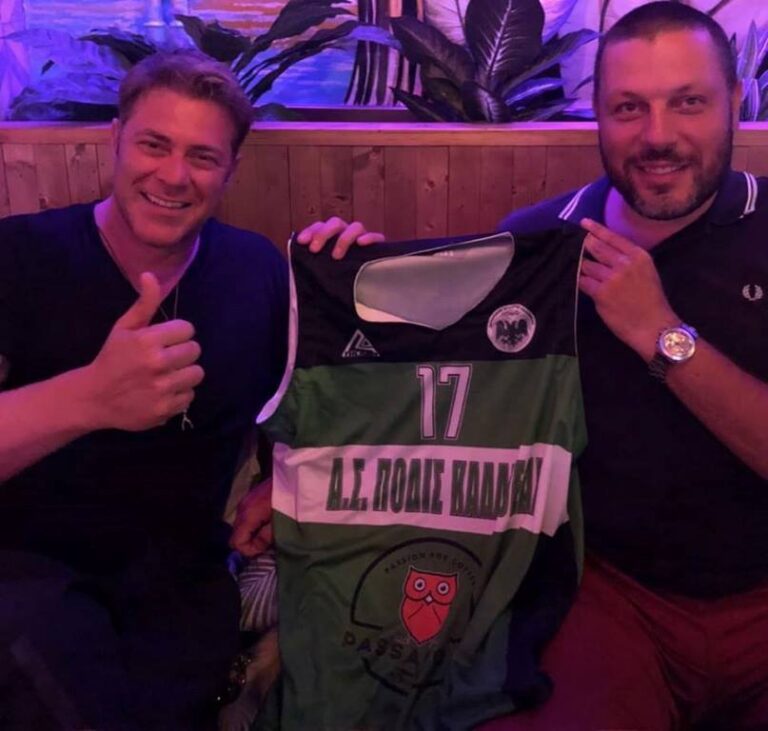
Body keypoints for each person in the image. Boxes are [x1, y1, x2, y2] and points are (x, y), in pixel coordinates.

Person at [233, 3, 768, 729]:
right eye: (628, 107)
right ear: (597, 113)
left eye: (689, 103)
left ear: (734, 100)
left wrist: (662, 334)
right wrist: (307, 478)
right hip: (607, 592)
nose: (658, 135)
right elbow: (434, 399)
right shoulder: (535, 247)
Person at [0, 50, 378, 731]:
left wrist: (354, 284)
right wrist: (88, 397)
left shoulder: (254, 271)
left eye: (202, 157)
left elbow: (307, 410)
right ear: (115, 139)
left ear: (230, 170)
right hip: (25, 570)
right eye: (154, 144)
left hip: (180, 581)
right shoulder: (20, 256)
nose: (174, 176)